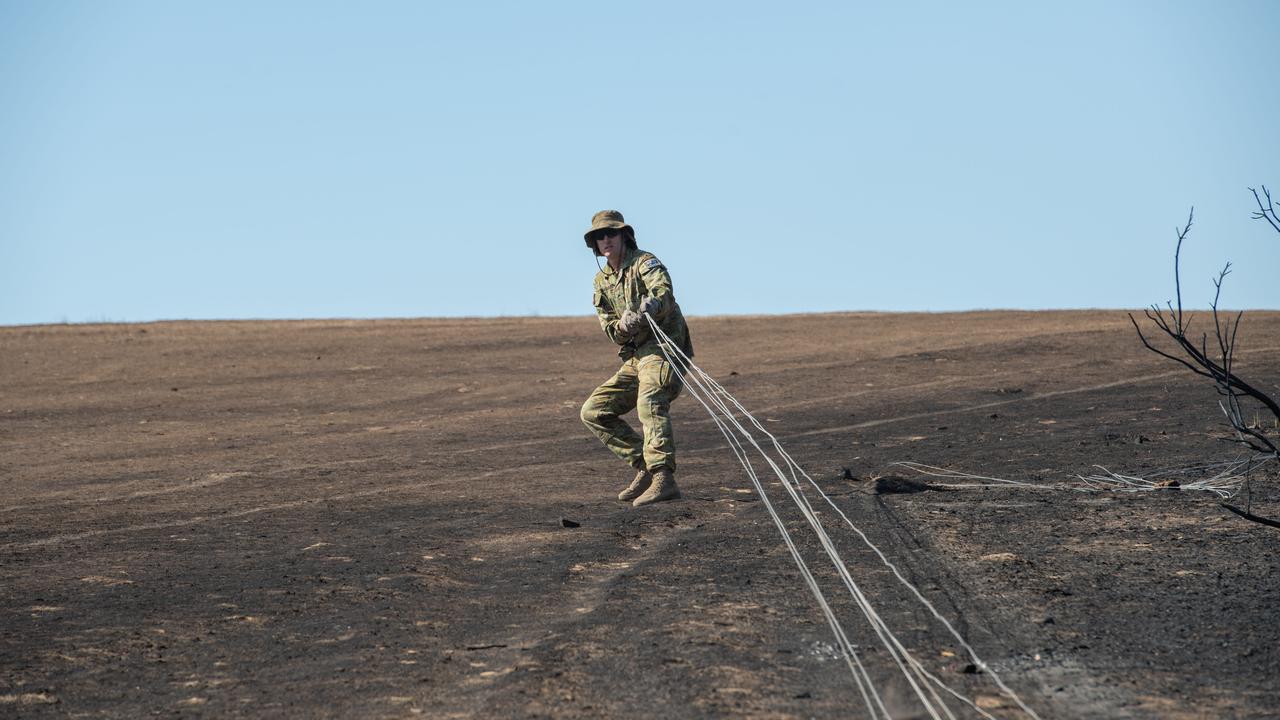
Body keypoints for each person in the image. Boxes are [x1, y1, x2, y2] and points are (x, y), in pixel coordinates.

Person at [579, 210, 694, 507]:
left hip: (665, 348)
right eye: (599, 236)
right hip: (637, 357)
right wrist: (622, 326)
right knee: (593, 411)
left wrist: (652, 305)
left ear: (624, 236)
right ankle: (644, 464)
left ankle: (663, 477)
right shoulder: (601, 281)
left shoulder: (645, 262)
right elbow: (610, 329)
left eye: (611, 234)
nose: (606, 240)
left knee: (650, 398)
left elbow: (664, 292)